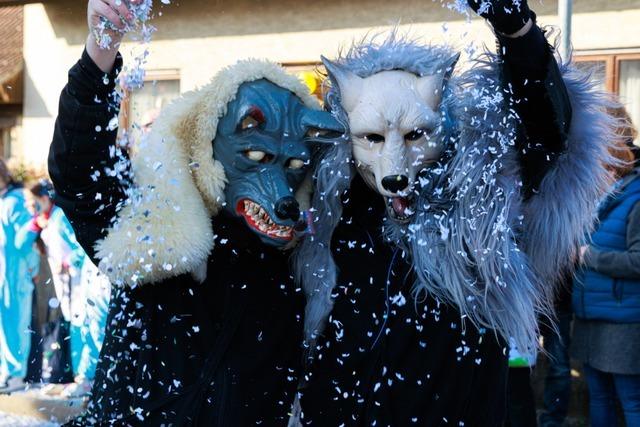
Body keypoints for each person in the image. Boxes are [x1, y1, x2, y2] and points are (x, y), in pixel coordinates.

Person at [293, 0, 617, 425]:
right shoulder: (332, 210)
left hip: (454, 402)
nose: (394, 165)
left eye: (415, 136)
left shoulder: (475, 202)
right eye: (371, 137)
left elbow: (539, 129)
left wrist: (518, 34)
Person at [49, 0, 344, 424]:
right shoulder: (153, 228)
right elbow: (79, 173)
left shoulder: (298, 262)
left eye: (292, 165)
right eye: (256, 155)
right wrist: (101, 52)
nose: (279, 185)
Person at [572, 125, 640, 427]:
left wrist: (589, 257)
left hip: (623, 322)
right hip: (592, 318)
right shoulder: (598, 202)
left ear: (611, 166)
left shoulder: (635, 201)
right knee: (598, 397)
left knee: (630, 399)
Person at [0, 159, 40, 391]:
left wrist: (32, 270)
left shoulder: (14, 202)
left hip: (15, 276)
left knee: (16, 325)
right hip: (4, 275)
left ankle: (16, 374)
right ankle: (7, 371)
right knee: (4, 327)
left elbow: (26, 240)